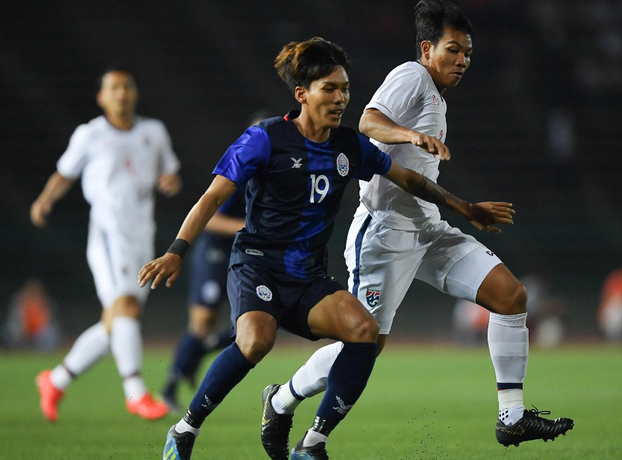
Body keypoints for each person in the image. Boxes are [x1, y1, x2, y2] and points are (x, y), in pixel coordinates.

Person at [138, 37, 512, 460]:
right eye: (330, 89)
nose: (341, 98)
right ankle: (185, 430)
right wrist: (176, 250)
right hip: (259, 267)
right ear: (302, 94)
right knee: (256, 342)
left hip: (308, 276)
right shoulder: (265, 139)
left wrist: (462, 206)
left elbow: (406, 177)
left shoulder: (347, 146)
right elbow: (210, 198)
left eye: (345, 89)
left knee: (364, 333)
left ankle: (313, 442)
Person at [262, 0, 574, 453]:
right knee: (366, 345)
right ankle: (283, 399)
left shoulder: (435, 95)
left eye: (467, 52)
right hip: (385, 232)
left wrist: (462, 208)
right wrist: (408, 135)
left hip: (428, 228)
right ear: (427, 48)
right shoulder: (413, 75)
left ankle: (512, 417)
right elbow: (368, 120)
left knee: (510, 295)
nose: (462, 60)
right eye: (453, 50)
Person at [31, 65, 181, 422]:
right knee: (126, 308)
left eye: (127, 86)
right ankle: (135, 392)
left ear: (135, 93)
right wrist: (45, 199)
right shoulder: (91, 134)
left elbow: (170, 172)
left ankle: (56, 379)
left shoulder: (153, 131)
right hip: (109, 232)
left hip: (142, 233)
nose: (122, 93)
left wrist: (170, 181)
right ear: (101, 97)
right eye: (114, 88)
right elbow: (65, 173)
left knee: (116, 320)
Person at [160, 113, 270, 412]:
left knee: (254, 324)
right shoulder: (239, 171)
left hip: (246, 254)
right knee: (202, 322)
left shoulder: (275, 175)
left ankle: (200, 352)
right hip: (215, 252)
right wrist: (249, 228)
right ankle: (170, 386)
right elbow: (211, 219)